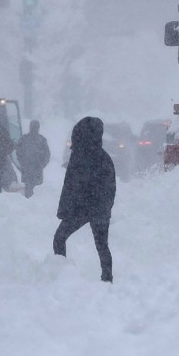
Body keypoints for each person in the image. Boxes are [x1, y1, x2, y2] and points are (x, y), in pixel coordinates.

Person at [54, 116, 116, 282]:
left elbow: (70, 187)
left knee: (59, 238)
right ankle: (107, 279)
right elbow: (110, 188)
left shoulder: (79, 157)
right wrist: (105, 209)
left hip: (79, 210)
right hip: (98, 209)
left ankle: (61, 274)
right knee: (102, 245)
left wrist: (66, 210)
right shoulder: (104, 158)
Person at [16, 119, 52, 199]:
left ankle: (30, 206)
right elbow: (47, 155)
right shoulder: (41, 139)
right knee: (37, 192)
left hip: (29, 170)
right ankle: (35, 207)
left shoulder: (24, 139)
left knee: (30, 191)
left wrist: (23, 164)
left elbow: (18, 153)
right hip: (35, 170)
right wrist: (41, 165)